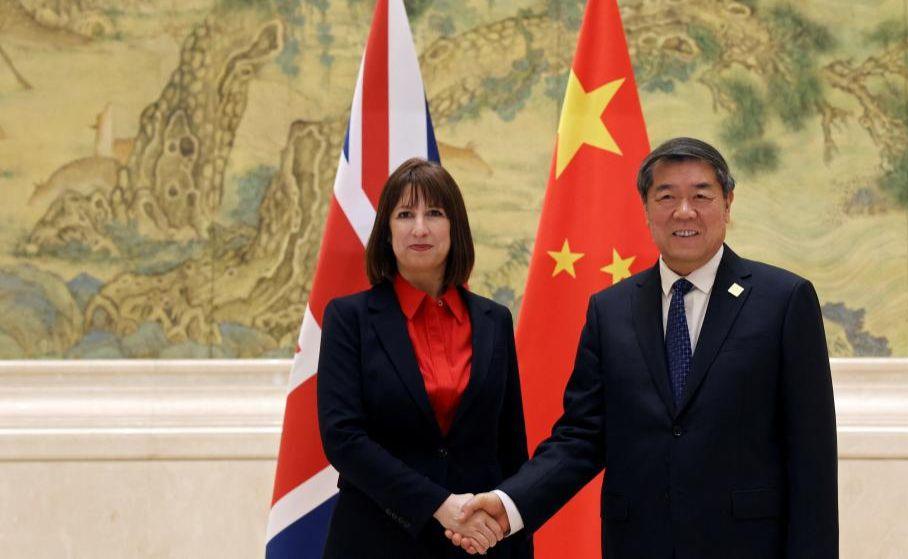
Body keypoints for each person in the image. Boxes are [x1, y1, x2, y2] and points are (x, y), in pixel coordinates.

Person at [449, 137, 839, 558]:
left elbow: (811, 459)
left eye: (701, 195)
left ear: (727, 204)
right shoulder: (611, 310)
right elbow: (581, 438)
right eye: (666, 196)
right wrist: (509, 505)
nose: (683, 211)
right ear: (646, 210)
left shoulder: (783, 301)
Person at [317, 158, 533, 558]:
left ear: (455, 228)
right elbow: (343, 439)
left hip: (479, 544)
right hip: (376, 540)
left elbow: (510, 450)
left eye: (434, 212)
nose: (420, 227)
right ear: (386, 231)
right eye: (405, 214)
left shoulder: (494, 321)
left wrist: (516, 541)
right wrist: (440, 505)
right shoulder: (349, 318)